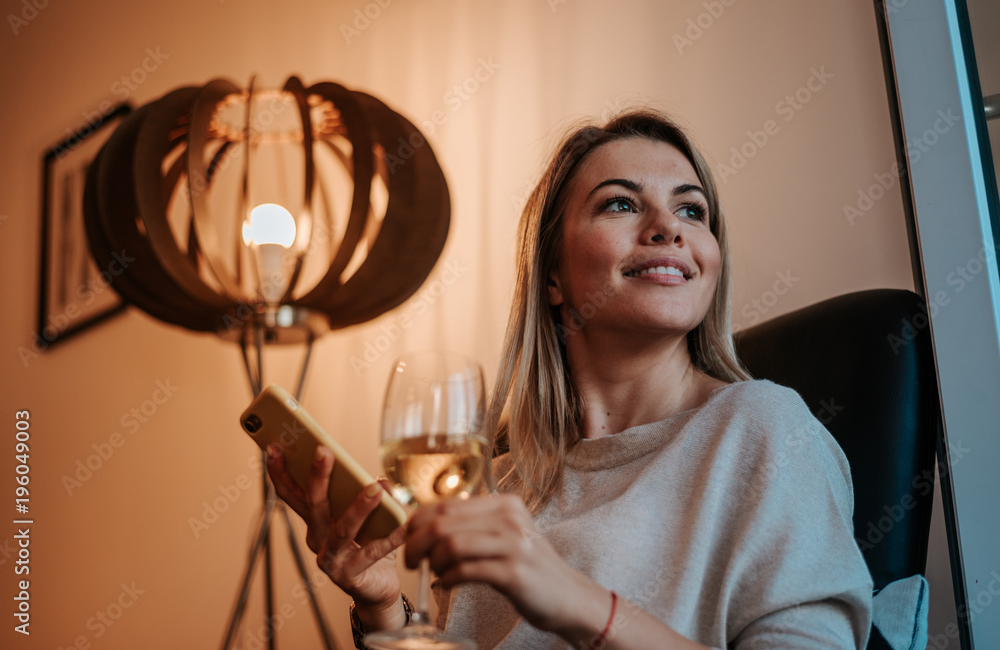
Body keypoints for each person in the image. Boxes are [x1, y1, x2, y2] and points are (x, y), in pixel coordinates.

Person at [265, 110, 874, 649]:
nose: (669, 227)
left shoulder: (764, 430)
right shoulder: (498, 485)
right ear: (552, 276)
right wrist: (381, 608)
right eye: (621, 204)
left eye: (692, 209)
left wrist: (577, 600)